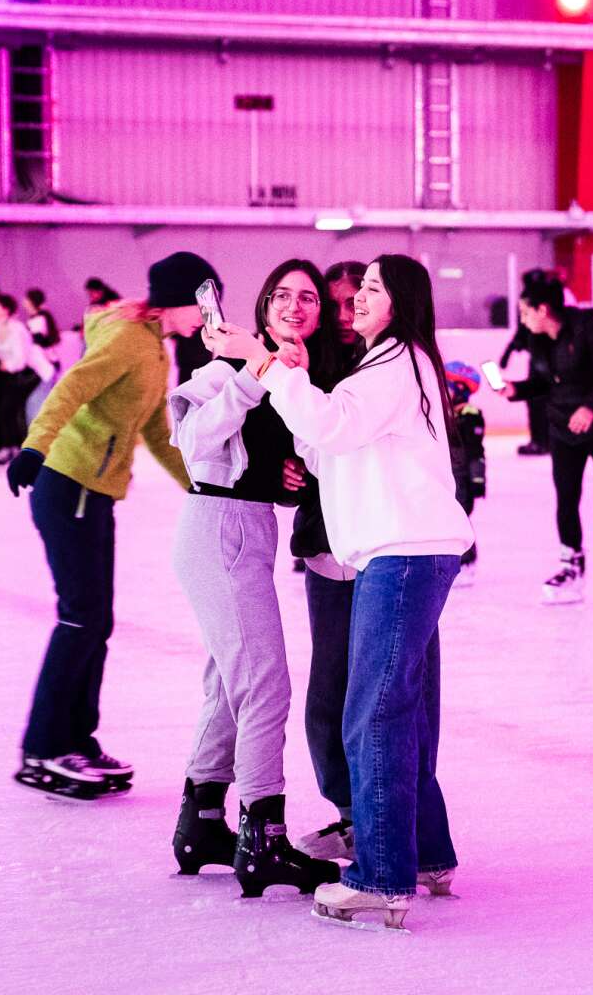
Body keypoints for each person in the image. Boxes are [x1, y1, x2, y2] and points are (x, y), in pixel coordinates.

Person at [220, 254, 472, 931]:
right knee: (401, 713)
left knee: (373, 716)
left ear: (401, 301)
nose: (356, 298)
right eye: (358, 289)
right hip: (403, 551)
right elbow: (328, 435)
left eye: (370, 289)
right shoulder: (386, 364)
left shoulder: (396, 363)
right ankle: (427, 856)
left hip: (403, 553)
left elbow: (331, 427)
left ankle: (383, 877)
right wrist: (292, 376)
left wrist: (265, 361)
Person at [165, 258, 345, 897]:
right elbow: (192, 443)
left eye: (309, 299)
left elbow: (269, 460)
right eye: (284, 296)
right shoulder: (228, 368)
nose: (296, 307)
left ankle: (203, 818)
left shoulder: (299, 375)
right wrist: (246, 375)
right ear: (265, 304)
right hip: (219, 528)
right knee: (264, 685)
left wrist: (289, 478)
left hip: (245, 529)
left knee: (229, 680)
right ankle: (263, 838)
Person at [3, 251, 204, 801]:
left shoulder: (155, 347)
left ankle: (77, 741)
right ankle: (43, 747)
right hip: (69, 484)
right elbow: (71, 387)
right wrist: (33, 448)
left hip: (95, 493)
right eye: (204, 300)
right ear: (179, 299)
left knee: (97, 621)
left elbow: (158, 432)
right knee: (79, 618)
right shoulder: (128, 340)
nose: (208, 313)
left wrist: (202, 488)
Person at [288, 261, 369, 859]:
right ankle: (348, 812)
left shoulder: (385, 365)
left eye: (353, 302)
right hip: (324, 549)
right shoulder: (304, 363)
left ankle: (381, 816)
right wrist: (283, 472)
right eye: (332, 304)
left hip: (375, 551)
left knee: (374, 691)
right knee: (327, 690)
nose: (343, 316)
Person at [503, 268, 593, 606]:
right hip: (563, 427)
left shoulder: (586, 324)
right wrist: (516, 389)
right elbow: (545, 384)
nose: (522, 319)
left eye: (525, 312)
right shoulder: (536, 338)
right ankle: (571, 564)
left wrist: (589, 409)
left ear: (542, 310)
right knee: (566, 496)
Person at [0, 293, 54, 466]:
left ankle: (21, 449)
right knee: (9, 410)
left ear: (5, 309)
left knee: (12, 410)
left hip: (31, 373)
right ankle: (13, 447)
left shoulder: (17, 328)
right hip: (12, 374)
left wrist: (8, 365)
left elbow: (21, 356)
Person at [444, 361, 486, 587]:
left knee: (460, 519)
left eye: (447, 386)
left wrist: (478, 480)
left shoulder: (470, 415)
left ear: (459, 389)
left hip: (462, 478)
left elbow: (477, 452)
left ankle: (467, 561)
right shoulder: (442, 411)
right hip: (445, 475)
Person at [498, 317, 551, 456]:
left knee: (541, 404)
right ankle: (539, 441)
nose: (523, 316)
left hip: (546, 368)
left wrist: (507, 355)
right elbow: (518, 338)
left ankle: (543, 442)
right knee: (535, 402)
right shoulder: (529, 322)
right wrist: (506, 355)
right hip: (538, 367)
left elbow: (518, 338)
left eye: (525, 311)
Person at [23, 287, 62, 422]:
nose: (24, 302)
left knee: (36, 403)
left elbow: (38, 341)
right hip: (46, 366)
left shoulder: (39, 320)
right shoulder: (40, 318)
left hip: (44, 367)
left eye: (26, 299)